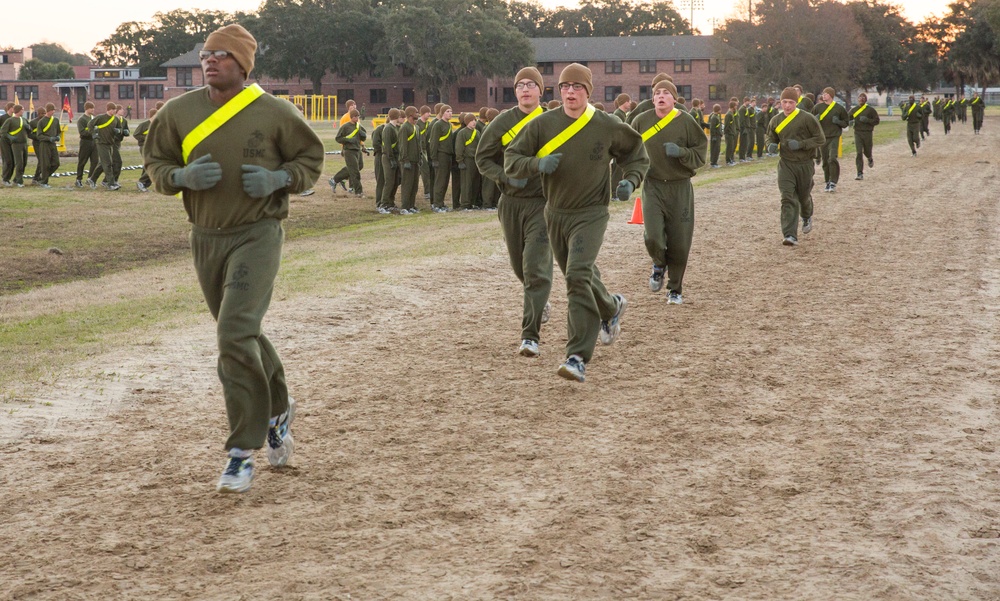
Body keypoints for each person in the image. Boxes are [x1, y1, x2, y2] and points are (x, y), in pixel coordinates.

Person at [143, 24, 324, 494]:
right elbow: (155, 167)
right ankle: (279, 410)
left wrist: (279, 179)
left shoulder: (273, 111)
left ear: (243, 65)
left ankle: (241, 452)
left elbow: (310, 161)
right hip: (205, 237)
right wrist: (179, 175)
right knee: (243, 333)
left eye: (222, 55)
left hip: (258, 233)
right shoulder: (177, 112)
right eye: (207, 54)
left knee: (233, 333)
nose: (210, 61)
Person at [505, 63, 649, 383]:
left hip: (591, 212)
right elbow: (512, 160)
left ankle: (577, 357)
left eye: (577, 87)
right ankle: (611, 308)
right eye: (565, 87)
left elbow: (636, 152)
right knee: (581, 274)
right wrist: (537, 163)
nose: (570, 92)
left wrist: (631, 179)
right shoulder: (542, 125)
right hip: (555, 213)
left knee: (577, 275)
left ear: (588, 92)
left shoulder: (606, 125)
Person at [476, 66, 553, 358]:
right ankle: (539, 297)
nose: (525, 89)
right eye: (520, 84)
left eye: (531, 84)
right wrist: (506, 177)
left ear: (540, 91)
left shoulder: (553, 121)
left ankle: (529, 336)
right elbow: (483, 159)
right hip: (510, 203)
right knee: (519, 266)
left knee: (535, 266)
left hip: (543, 204)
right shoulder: (504, 121)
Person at [631, 79, 707, 305]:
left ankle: (675, 289)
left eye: (666, 93)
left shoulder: (686, 122)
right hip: (653, 186)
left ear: (674, 98)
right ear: (652, 98)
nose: (661, 96)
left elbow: (700, 153)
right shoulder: (640, 121)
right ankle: (658, 264)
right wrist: (626, 178)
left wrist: (682, 152)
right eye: (657, 93)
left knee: (680, 243)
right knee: (653, 236)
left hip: (680, 187)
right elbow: (627, 150)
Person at [765, 87, 825, 247]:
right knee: (787, 197)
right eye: (784, 102)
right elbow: (770, 136)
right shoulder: (776, 120)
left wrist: (801, 144)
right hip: (786, 164)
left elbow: (820, 139)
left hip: (804, 164)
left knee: (803, 197)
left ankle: (806, 215)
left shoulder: (807, 119)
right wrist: (770, 144)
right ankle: (790, 235)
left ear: (796, 102)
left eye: (791, 102)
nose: (787, 106)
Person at [812, 87, 849, 193]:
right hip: (822, 137)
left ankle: (833, 181)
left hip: (834, 136)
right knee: (825, 161)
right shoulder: (818, 108)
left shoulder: (839, 108)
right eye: (823, 94)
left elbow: (846, 123)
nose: (824, 95)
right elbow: (810, 121)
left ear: (831, 95)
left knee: (832, 158)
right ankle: (827, 181)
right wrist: (816, 120)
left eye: (826, 94)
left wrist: (838, 122)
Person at [330, 108, 366, 195]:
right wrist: (348, 140)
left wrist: (363, 135)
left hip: (357, 150)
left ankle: (335, 179)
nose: (357, 118)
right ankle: (358, 191)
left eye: (358, 116)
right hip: (349, 150)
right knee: (355, 171)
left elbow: (363, 138)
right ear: (351, 117)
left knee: (359, 166)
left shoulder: (359, 126)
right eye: (355, 117)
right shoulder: (345, 126)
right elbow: (338, 138)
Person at [429, 104, 455, 213]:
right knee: (439, 181)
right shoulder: (438, 125)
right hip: (440, 155)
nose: (450, 113)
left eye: (451, 111)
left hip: (448, 155)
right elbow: (434, 142)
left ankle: (441, 203)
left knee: (445, 181)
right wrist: (434, 158)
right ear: (442, 113)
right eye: (448, 111)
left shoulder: (448, 125)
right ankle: (436, 204)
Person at [88, 102, 120, 190]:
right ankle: (111, 184)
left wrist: (118, 131)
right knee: (108, 163)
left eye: (115, 109)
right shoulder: (100, 117)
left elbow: (120, 128)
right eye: (113, 109)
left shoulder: (115, 119)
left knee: (103, 163)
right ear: (109, 109)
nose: (114, 111)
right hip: (101, 143)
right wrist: (94, 134)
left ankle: (92, 179)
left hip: (110, 143)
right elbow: (90, 125)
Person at [849, 92, 880, 181]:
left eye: (863, 97)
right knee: (859, 152)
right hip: (857, 133)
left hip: (867, 133)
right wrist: (849, 122)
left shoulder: (870, 110)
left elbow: (877, 121)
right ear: (857, 99)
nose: (861, 98)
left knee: (867, 151)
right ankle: (859, 173)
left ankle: (869, 158)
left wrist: (868, 120)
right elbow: (848, 118)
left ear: (865, 100)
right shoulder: (854, 110)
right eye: (860, 97)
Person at [455, 112, 482, 211]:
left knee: (475, 182)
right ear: (467, 122)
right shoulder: (462, 133)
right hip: (467, 160)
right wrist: (460, 161)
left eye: (474, 120)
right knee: (466, 183)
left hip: (475, 160)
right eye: (471, 121)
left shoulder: (477, 132)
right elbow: (459, 147)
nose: (474, 122)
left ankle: (473, 202)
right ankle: (465, 204)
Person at [397, 106, 421, 214]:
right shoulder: (405, 128)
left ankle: (411, 205)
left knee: (414, 185)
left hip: (415, 160)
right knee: (407, 184)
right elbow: (403, 145)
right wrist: (405, 160)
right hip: (407, 161)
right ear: (410, 114)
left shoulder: (416, 127)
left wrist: (420, 158)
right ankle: (404, 207)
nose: (418, 113)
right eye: (416, 112)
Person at [378, 108, 402, 214]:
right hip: (388, 157)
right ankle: (383, 204)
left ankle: (390, 202)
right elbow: (387, 145)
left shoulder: (396, 128)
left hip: (395, 157)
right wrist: (391, 159)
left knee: (395, 181)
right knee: (389, 181)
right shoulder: (388, 129)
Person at [0, 104, 29, 187]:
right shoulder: (4, 118)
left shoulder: (22, 119)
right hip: (6, 142)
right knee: (9, 161)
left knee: (21, 162)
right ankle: (6, 178)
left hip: (19, 142)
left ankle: (16, 179)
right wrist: (10, 137)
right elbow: (3, 131)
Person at [33, 103, 60, 188]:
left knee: (56, 163)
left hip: (53, 144)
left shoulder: (55, 120)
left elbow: (58, 130)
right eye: (52, 110)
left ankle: (42, 178)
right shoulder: (41, 121)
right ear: (49, 110)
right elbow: (39, 135)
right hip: (44, 144)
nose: (54, 112)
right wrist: (49, 138)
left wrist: (57, 136)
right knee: (45, 164)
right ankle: (44, 182)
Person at [75, 102, 100, 187]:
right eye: (91, 108)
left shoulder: (93, 118)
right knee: (82, 161)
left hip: (94, 142)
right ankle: (78, 179)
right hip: (85, 142)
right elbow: (82, 132)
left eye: (93, 108)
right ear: (86, 108)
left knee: (95, 161)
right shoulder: (81, 119)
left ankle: (90, 178)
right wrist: (92, 133)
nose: (93, 109)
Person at [133, 107, 157, 191]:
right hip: (144, 147)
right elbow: (136, 134)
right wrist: (146, 138)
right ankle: (141, 182)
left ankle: (144, 184)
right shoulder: (144, 124)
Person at [0, 101, 13, 185]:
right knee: (7, 160)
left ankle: (8, 178)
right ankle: (5, 178)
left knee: (13, 160)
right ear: (9, 108)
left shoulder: (14, 118)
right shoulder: (3, 118)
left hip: (13, 142)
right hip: (4, 141)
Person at [723, 99, 738, 166]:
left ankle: (731, 159)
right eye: (735, 105)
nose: (736, 107)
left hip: (732, 133)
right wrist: (727, 133)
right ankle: (728, 161)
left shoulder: (732, 113)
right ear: (733, 106)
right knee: (729, 148)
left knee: (731, 147)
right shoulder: (728, 114)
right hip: (729, 134)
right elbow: (726, 125)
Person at [708, 104, 723, 168]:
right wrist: (713, 136)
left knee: (717, 149)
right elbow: (712, 128)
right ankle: (713, 163)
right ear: (718, 110)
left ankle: (715, 162)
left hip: (718, 135)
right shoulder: (714, 117)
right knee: (715, 149)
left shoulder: (717, 116)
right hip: (715, 136)